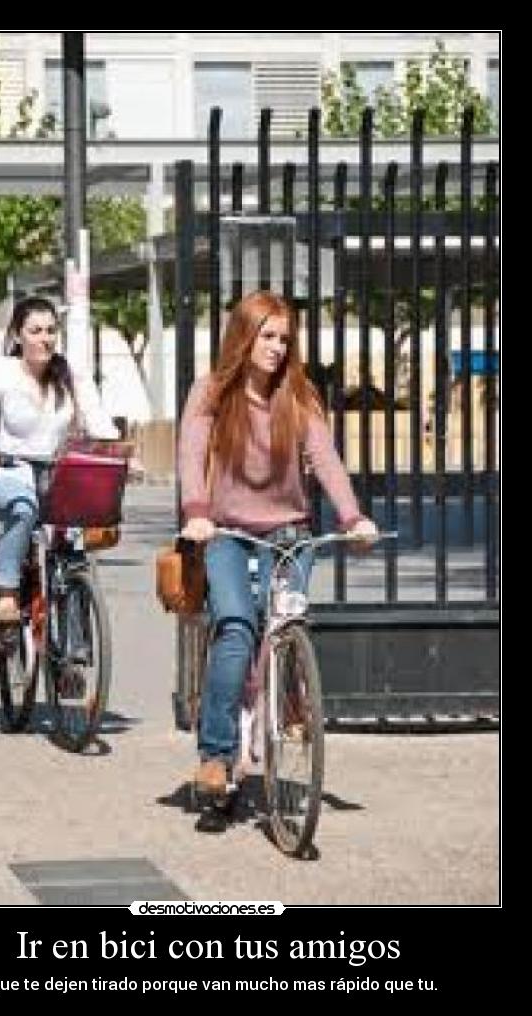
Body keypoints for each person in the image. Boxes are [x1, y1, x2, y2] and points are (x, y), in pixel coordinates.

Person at [178, 291, 378, 796]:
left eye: (284, 339)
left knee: (286, 620)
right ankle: (215, 756)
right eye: (267, 336)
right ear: (243, 337)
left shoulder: (300, 395)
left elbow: (326, 460)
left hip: (289, 532)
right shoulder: (211, 392)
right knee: (236, 627)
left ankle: (285, 695)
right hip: (227, 533)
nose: (276, 347)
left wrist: (353, 517)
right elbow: (190, 456)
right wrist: (197, 513)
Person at [0, 296, 119, 624]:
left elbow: (98, 420)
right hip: (4, 470)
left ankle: (74, 630)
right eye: (35, 331)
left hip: (54, 474)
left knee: (73, 538)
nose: (45, 338)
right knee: (24, 507)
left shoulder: (69, 374)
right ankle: (7, 593)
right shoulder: (2, 373)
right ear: (17, 335)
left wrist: (120, 456)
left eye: (50, 330)